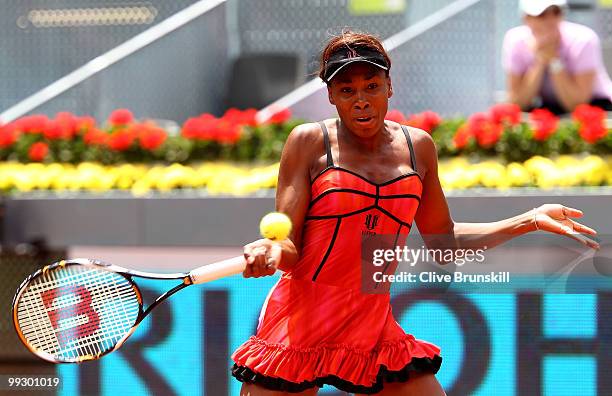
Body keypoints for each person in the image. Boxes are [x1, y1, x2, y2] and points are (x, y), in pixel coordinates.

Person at [233, 31, 600, 396]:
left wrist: (530, 219)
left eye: (371, 86)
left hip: (371, 322)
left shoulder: (417, 147)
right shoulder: (308, 142)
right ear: (330, 96)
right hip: (301, 319)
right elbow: (289, 247)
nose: (361, 100)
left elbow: (444, 242)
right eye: (346, 91)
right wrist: (270, 249)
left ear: (389, 87)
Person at [502, 0, 612, 115]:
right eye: (542, 15)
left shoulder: (584, 39)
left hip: (600, 107)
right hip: (553, 109)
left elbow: (577, 105)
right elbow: (518, 103)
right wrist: (540, 62)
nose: (550, 20)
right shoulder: (515, 40)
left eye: (556, 12)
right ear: (526, 19)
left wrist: (554, 61)